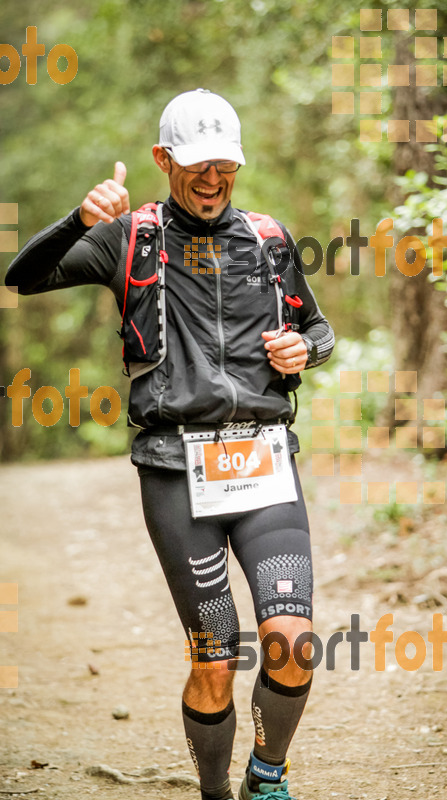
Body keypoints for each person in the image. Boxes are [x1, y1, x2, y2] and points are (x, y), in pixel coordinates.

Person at [6, 88, 334, 800]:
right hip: (173, 472)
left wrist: (300, 351)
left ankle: (267, 775)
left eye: (226, 165)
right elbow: (22, 277)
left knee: (290, 644)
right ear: (163, 159)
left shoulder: (269, 240)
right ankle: (215, 790)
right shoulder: (131, 236)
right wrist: (79, 220)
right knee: (215, 659)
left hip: (263, 462)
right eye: (196, 165)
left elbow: (318, 329)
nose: (213, 180)